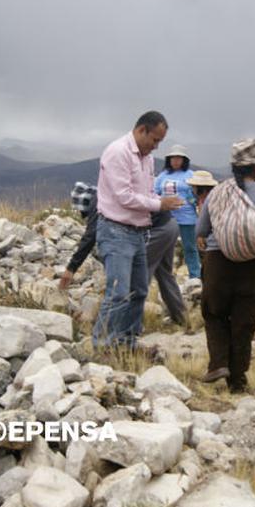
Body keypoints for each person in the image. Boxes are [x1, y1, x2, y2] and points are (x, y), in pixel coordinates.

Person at [92, 111, 183, 348]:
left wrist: (161, 200)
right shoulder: (118, 152)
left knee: (139, 290)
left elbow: (147, 192)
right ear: (142, 130)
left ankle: (127, 341)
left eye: (159, 142)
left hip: (138, 231)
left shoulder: (147, 158)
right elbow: (124, 197)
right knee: (118, 292)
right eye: (154, 140)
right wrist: (159, 204)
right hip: (116, 231)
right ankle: (102, 345)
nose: (155, 146)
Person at [197, 139, 255, 392]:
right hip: (253, 266)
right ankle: (237, 381)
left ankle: (219, 363)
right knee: (244, 322)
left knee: (214, 312)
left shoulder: (217, 192)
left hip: (218, 262)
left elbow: (201, 229)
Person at [154, 144, 201, 279]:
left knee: (190, 247)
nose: (175, 161)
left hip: (186, 217)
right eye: (173, 158)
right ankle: (163, 275)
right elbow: (155, 193)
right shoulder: (162, 176)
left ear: (184, 160)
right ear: (169, 160)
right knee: (164, 247)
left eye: (178, 158)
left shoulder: (190, 175)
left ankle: (195, 276)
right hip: (166, 217)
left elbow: (197, 194)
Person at [146, 210, 188, 326]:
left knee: (140, 274)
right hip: (169, 224)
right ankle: (181, 317)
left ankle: (130, 327)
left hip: (158, 229)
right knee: (164, 273)